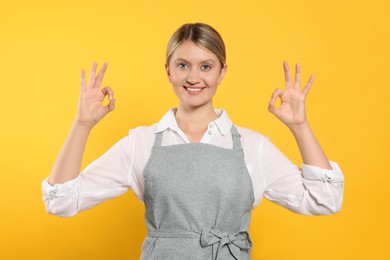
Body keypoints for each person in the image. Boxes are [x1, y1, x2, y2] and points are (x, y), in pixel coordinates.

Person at [42, 23, 344, 259]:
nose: (193, 77)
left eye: (206, 66)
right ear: (168, 70)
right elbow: (61, 201)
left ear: (222, 72)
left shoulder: (254, 147)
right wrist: (82, 124)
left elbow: (325, 200)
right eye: (183, 65)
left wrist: (300, 127)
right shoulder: (141, 144)